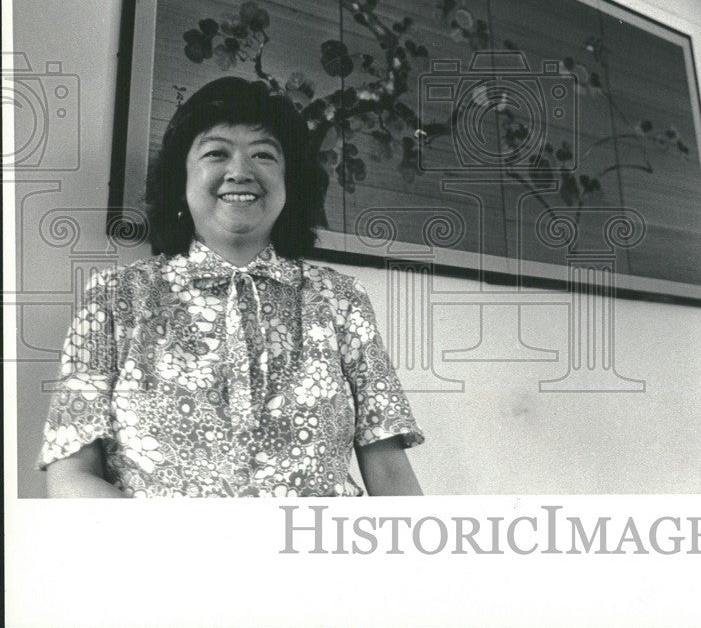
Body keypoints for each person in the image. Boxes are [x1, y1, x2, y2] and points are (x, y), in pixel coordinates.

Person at [39, 76, 423, 497]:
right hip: (160, 559)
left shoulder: (341, 299)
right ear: (180, 179)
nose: (240, 171)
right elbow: (71, 474)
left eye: (263, 154)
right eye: (216, 153)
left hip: (318, 556)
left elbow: (388, 468)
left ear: (289, 181)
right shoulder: (114, 297)